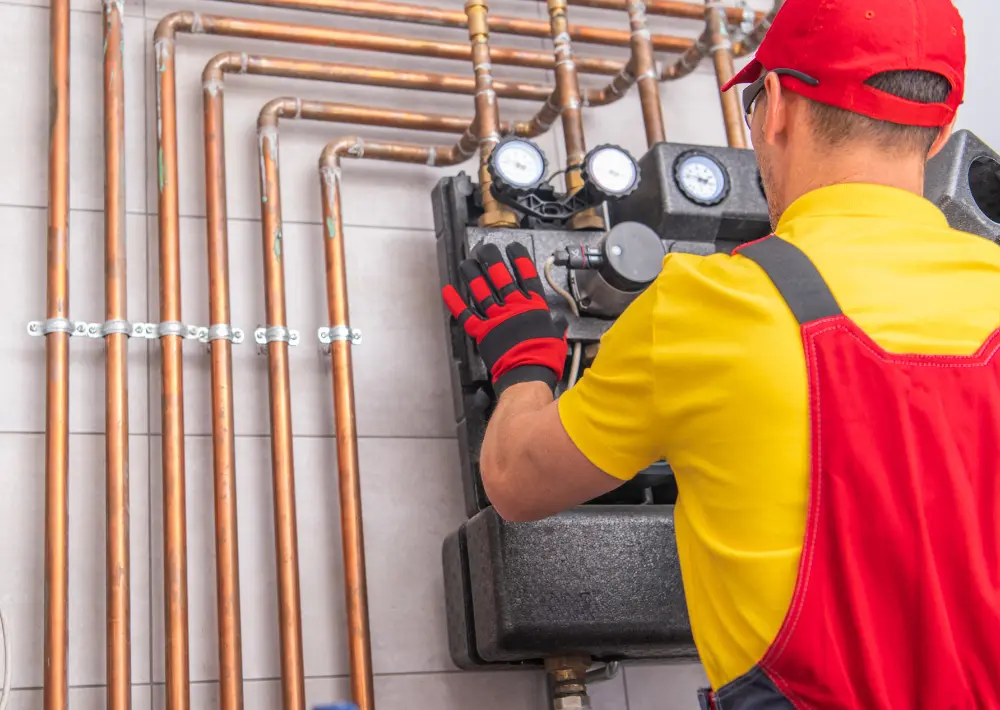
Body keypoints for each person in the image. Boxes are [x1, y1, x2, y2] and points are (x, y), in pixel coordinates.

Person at [441, 0, 1000, 706]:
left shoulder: (712, 305)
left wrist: (524, 360)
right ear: (940, 129)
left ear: (776, 108)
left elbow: (516, 483)